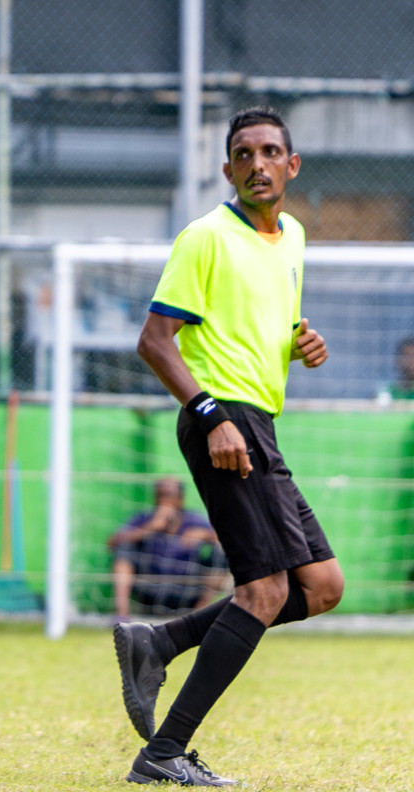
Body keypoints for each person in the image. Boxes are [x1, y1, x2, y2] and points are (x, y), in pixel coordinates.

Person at [117, 106, 343, 786]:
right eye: (244, 155)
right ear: (228, 170)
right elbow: (155, 342)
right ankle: (163, 754)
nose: (258, 164)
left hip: (259, 424)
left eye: (271, 152)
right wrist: (211, 414)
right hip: (222, 421)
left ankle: (160, 642)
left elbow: (278, 318)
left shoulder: (294, 238)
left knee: (322, 586)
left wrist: (305, 340)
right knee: (266, 590)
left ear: (291, 165)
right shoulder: (205, 237)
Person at [108, 478, 227, 621]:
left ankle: (196, 619)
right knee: (124, 549)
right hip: (148, 590)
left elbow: (227, 540)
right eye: (160, 495)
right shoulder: (145, 518)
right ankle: (122, 616)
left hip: (187, 591)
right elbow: (111, 544)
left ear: (180, 499)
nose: (164, 500)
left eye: (169, 495)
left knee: (221, 554)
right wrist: (149, 528)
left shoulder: (194, 520)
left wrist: (205, 535)